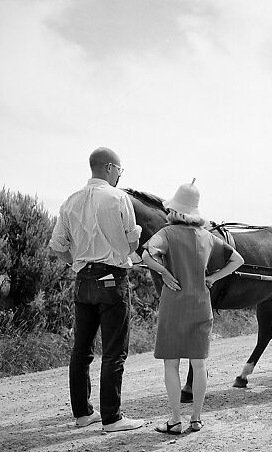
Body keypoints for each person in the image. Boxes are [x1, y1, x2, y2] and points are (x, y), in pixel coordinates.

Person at [49, 147, 145, 431]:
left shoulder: (70, 201)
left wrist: (76, 263)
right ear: (108, 168)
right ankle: (112, 417)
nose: (119, 175)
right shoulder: (118, 198)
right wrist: (123, 252)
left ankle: (83, 414)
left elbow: (57, 246)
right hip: (112, 279)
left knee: (82, 350)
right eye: (119, 169)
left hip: (83, 281)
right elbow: (132, 243)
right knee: (114, 350)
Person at [142, 181, 244, 434]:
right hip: (201, 304)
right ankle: (196, 419)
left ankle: (175, 420)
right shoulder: (207, 236)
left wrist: (164, 273)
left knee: (171, 365)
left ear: (175, 209)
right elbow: (237, 260)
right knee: (199, 366)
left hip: (174, 305)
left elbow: (146, 256)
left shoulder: (166, 234)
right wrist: (212, 278)